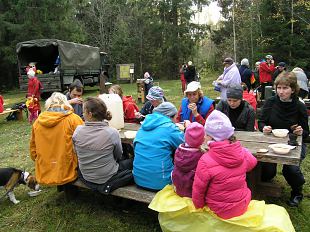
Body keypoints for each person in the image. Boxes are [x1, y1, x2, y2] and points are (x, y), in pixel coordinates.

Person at [192, 110, 257, 219]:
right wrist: (242, 149)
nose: (204, 136)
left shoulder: (205, 160)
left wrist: (198, 206)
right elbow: (253, 162)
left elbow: (199, 189)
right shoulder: (241, 152)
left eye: (206, 134)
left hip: (218, 209)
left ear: (212, 138)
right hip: (242, 205)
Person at [258, 72, 309, 207]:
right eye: (278, 88)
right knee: (267, 170)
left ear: (293, 89)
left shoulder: (300, 106)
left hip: (293, 143)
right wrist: (264, 128)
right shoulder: (270, 102)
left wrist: (301, 131)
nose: (281, 92)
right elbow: (261, 122)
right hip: (272, 141)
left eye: (285, 88)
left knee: (290, 170)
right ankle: (265, 184)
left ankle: (297, 192)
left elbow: (306, 132)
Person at [73, 97, 133, 194]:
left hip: (86, 175)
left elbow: (76, 152)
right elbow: (118, 155)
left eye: (83, 111)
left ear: (90, 114)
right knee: (133, 161)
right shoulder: (112, 132)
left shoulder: (78, 131)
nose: (82, 114)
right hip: (106, 176)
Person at [30, 92, 83, 186]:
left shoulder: (37, 122)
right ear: (65, 103)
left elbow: (33, 150)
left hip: (45, 171)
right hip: (68, 170)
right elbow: (85, 141)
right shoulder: (73, 119)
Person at [133, 102, 184, 191]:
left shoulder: (143, 126)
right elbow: (186, 144)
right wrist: (187, 129)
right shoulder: (170, 128)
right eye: (175, 118)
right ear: (170, 117)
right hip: (161, 182)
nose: (176, 121)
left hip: (138, 179)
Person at [171, 122, 205, 198]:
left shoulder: (178, 151)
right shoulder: (201, 156)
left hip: (179, 189)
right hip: (191, 193)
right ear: (202, 140)